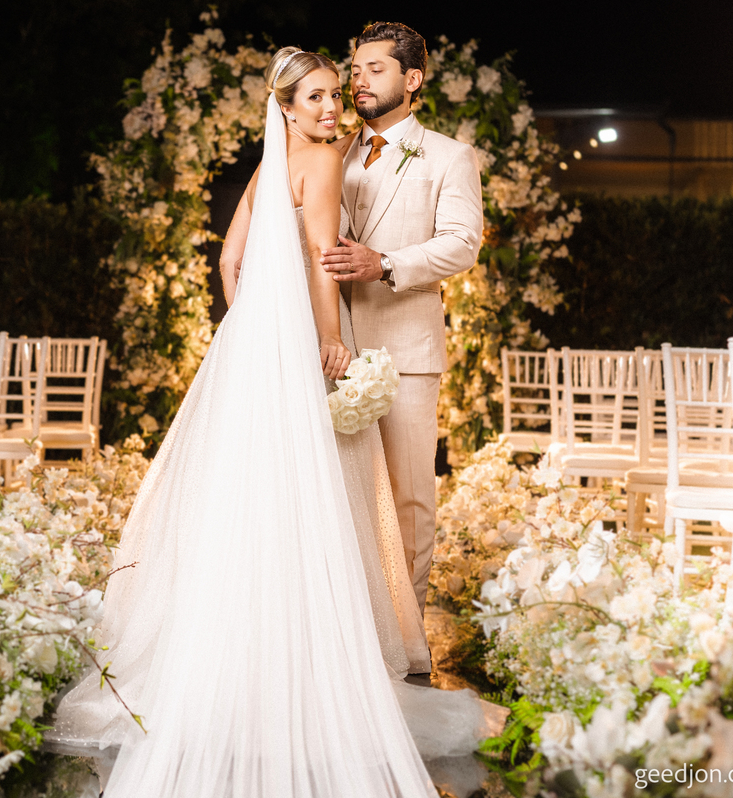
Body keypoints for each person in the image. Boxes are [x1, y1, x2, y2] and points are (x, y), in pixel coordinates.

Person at [48, 47, 493, 798]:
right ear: (287, 106)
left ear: (412, 78)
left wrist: (258, 314)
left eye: (355, 80)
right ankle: (329, 660)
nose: (342, 96)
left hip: (303, 347)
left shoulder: (412, 157)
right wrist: (324, 335)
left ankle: (379, 647)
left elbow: (235, 259)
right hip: (317, 344)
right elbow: (320, 259)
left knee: (330, 498)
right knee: (322, 503)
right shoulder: (324, 155)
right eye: (325, 89)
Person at [322, 22, 484, 638]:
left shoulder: (448, 155)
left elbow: (462, 243)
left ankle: (408, 640)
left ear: (412, 79)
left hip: (407, 352)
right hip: (331, 348)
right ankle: (349, 636)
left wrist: (385, 264)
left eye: (376, 69)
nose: (359, 80)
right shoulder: (330, 151)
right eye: (355, 70)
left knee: (409, 497)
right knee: (338, 495)